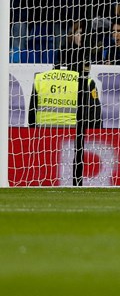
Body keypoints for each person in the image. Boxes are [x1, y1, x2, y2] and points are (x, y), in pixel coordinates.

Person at [28, 33, 102, 186]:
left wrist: (34, 134)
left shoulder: (40, 78)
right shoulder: (86, 81)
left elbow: (31, 113)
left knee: (46, 180)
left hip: (43, 137)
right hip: (74, 138)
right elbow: (95, 116)